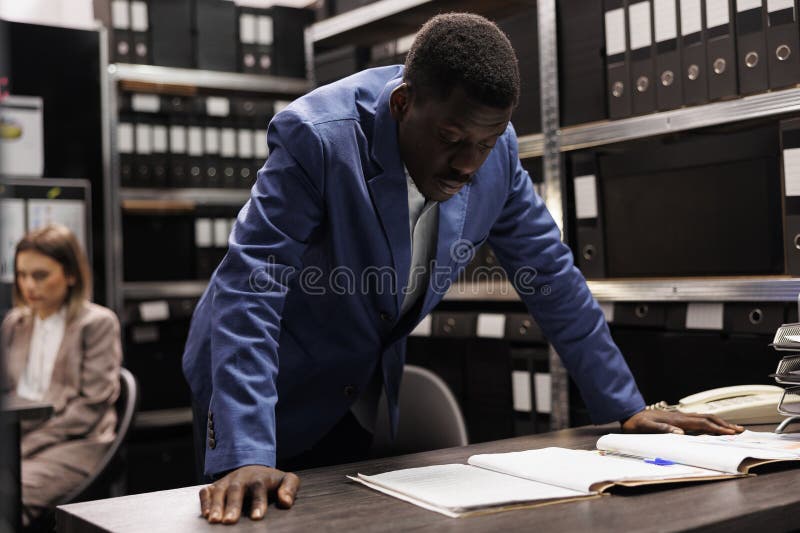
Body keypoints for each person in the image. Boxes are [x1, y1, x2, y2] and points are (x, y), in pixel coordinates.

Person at [182, 13, 743, 524]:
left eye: (486, 140)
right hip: (261, 385)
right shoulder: (317, 139)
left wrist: (625, 408)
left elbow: (549, 273)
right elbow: (252, 284)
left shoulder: (494, 156)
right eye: (451, 139)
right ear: (403, 104)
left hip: (357, 391)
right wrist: (246, 454)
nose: (469, 164)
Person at [1, 224, 122, 528]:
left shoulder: (97, 324)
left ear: (70, 275)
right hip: (22, 439)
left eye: (40, 275)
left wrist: (21, 446)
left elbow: (89, 410)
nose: (29, 285)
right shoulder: (15, 324)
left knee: (8, 494)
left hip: (77, 444)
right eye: (22, 275)